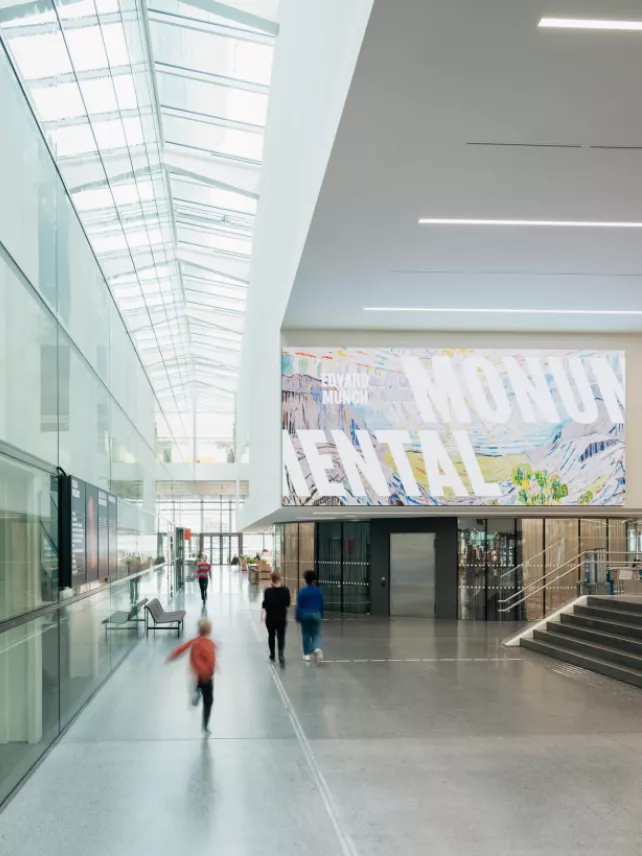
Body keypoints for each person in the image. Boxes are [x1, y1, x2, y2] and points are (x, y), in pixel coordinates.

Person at [166, 618, 216, 736]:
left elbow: (181, 649)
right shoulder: (210, 644)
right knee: (208, 702)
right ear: (209, 630)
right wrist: (213, 668)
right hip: (207, 676)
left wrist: (172, 656)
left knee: (199, 685)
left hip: (197, 674)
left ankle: (197, 691)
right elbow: (211, 660)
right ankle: (205, 726)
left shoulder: (194, 641)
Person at [261, 571, 291, 666]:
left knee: (271, 635)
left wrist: (262, 615)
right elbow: (288, 604)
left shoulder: (267, 591)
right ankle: (281, 655)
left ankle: (272, 654)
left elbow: (265, 604)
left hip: (270, 618)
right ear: (279, 579)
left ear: (271, 579)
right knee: (281, 636)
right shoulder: (285, 590)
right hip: (281, 617)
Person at [296, 570, 324, 664]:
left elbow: (299, 606)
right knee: (315, 634)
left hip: (305, 615)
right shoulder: (318, 591)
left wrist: (298, 618)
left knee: (305, 634)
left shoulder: (302, 591)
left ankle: (306, 655)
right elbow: (322, 605)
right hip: (316, 614)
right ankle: (316, 648)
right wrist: (321, 615)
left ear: (305, 580)